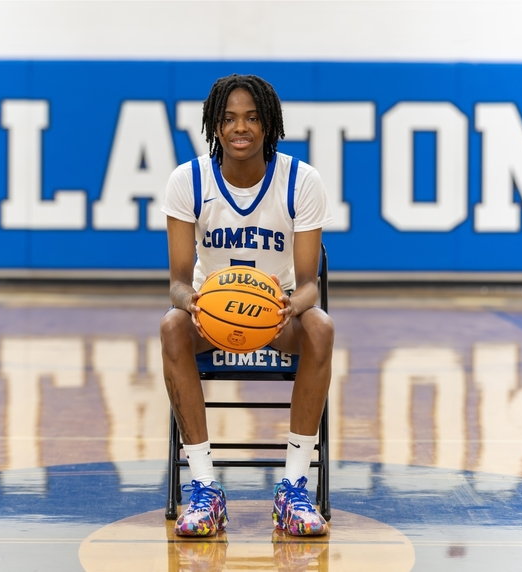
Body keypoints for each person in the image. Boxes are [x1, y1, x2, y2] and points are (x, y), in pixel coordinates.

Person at [160, 74, 334, 537]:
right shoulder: (189, 180)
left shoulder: (301, 181)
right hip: (208, 318)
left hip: (278, 319)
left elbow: (310, 285)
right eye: (230, 118)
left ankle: (294, 487)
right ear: (215, 126)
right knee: (170, 326)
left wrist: (290, 308)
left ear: (269, 125)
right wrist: (190, 302)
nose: (242, 128)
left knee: (321, 327)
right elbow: (177, 281)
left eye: (253, 118)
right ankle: (204, 489)